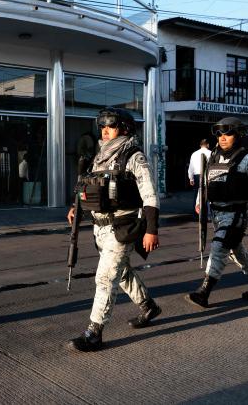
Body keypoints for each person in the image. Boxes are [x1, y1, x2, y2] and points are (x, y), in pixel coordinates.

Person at [66, 107, 161, 352]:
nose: (105, 130)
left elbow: (150, 196)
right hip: (101, 228)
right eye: (102, 126)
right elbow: (90, 187)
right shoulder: (100, 156)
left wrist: (151, 230)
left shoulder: (134, 156)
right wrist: (77, 207)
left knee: (105, 277)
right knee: (123, 273)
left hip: (123, 226)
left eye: (111, 125)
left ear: (125, 129)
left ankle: (94, 333)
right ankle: (149, 306)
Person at [185, 117, 248, 309]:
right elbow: (205, 183)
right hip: (217, 214)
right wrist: (200, 201)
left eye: (228, 133)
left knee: (219, 247)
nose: (223, 138)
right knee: (235, 251)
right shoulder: (213, 155)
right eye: (219, 134)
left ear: (239, 135)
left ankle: (204, 292)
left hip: (235, 215)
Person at [187, 139, 211, 219]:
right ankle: (207, 214)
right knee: (207, 194)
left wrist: (191, 178)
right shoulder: (210, 153)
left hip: (197, 176)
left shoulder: (194, 154)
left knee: (196, 194)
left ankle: (195, 214)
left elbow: (191, 167)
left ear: (200, 145)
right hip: (207, 175)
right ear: (207, 145)